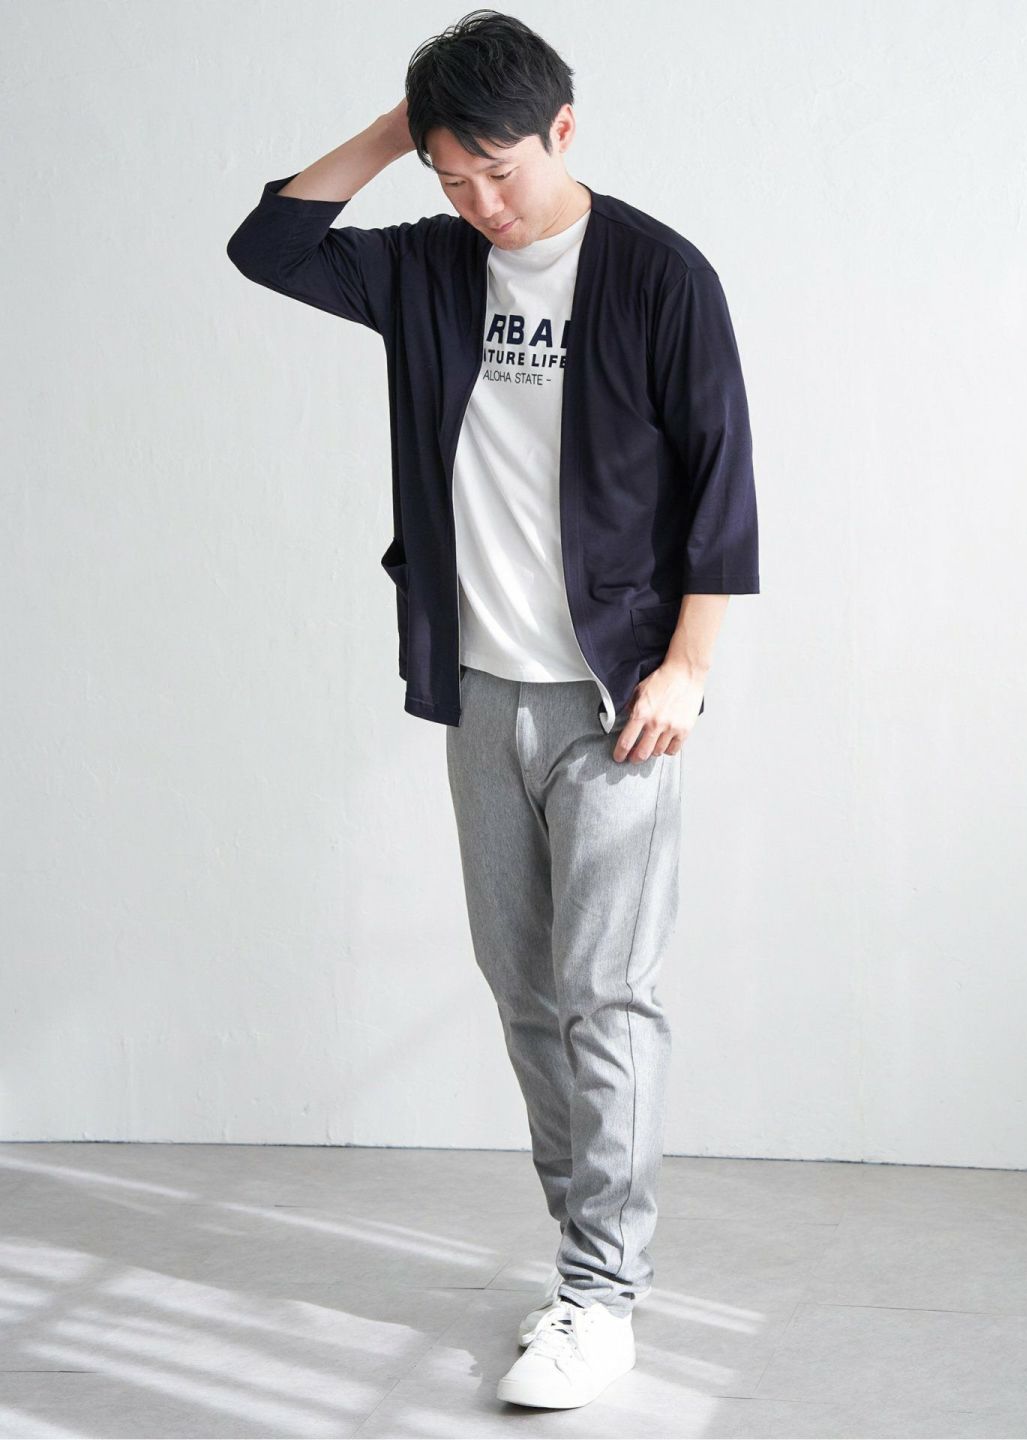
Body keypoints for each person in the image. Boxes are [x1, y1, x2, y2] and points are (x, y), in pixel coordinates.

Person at [226, 7, 759, 1412]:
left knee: (606, 995)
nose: (481, 204)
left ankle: (603, 1293)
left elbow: (724, 479)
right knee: (526, 993)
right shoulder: (429, 267)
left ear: (563, 131)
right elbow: (269, 246)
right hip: (479, 690)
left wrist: (689, 666)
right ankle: (583, 1264)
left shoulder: (658, 276)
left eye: (500, 172)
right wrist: (405, 131)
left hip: (618, 699)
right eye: (452, 178)